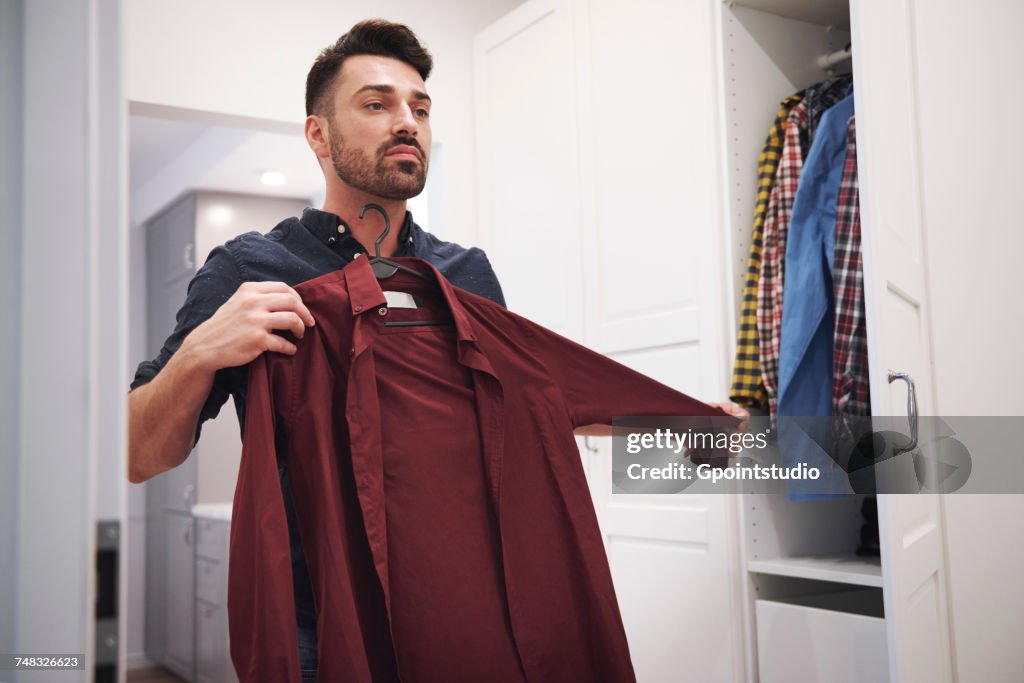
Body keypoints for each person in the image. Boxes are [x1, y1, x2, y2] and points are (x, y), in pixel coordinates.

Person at [128, 18, 748, 681]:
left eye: (420, 108)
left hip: (469, 611)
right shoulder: (251, 267)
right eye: (377, 104)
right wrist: (200, 351)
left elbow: (533, 400)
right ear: (318, 134)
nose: (407, 122)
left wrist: (689, 427)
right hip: (327, 625)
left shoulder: (465, 274)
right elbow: (139, 455)